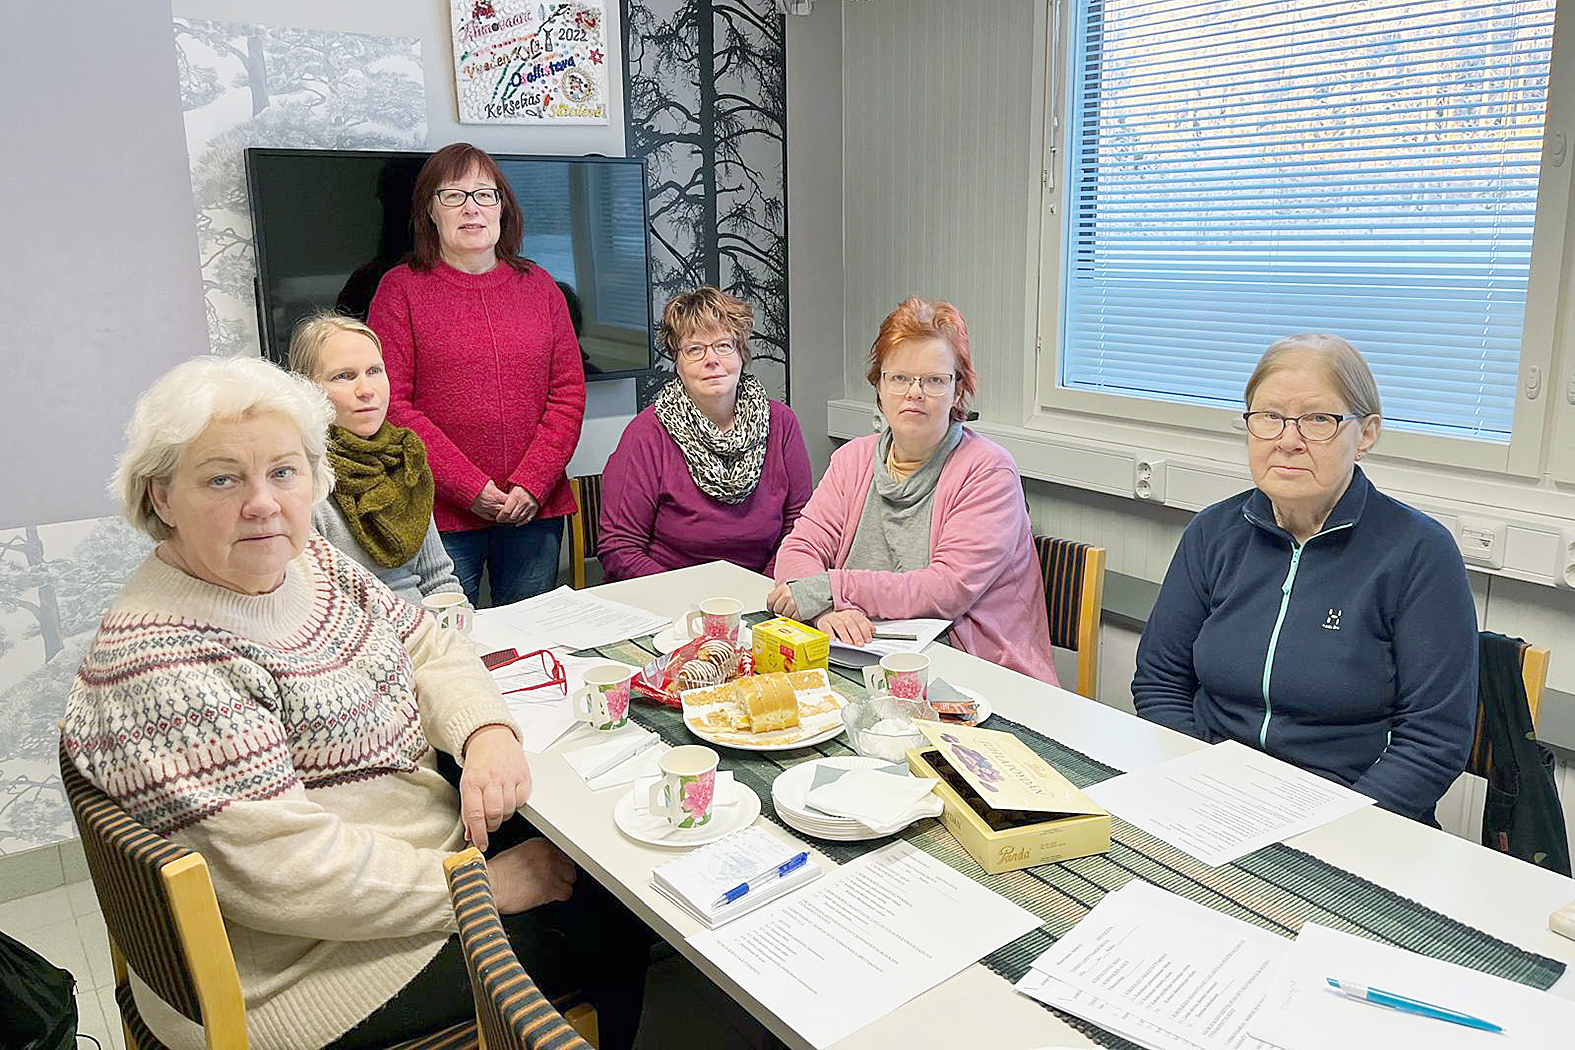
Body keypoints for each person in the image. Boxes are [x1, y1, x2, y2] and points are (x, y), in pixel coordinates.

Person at [62, 357, 645, 1050]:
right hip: (310, 969)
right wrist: (486, 887)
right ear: (161, 498)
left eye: (283, 471)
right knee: (619, 904)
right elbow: (293, 875)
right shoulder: (168, 664)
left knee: (603, 841)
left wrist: (486, 733)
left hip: (391, 874)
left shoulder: (303, 561)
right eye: (222, 478)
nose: (262, 502)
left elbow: (427, 645)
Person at [1131, 333, 1477, 824]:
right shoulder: (1213, 532)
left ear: (1367, 433)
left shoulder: (1419, 553)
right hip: (1207, 800)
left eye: (1319, 420)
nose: (1288, 440)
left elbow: (1433, 742)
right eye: (1269, 416)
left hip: (1351, 817)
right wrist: (1198, 783)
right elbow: (1160, 682)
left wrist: (1330, 827)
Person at [768, 297, 1058, 684]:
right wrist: (825, 613)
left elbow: (944, 590)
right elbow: (800, 548)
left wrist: (831, 588)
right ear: (880, 387)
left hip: (973, 676)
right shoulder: (851, 460)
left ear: (958, 392)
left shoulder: (989, 471)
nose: (914, 392)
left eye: (934, 380)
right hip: (861, 661)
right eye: (899, 377)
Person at [369, 142, 587, 607]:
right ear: (430, 209)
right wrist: (470, 489)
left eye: (485, 195)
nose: (471, 208)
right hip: (441, 516)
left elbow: (567, 394)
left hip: (534, 509)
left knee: (532, 642)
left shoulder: (541, 286)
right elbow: (392, 404)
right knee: (451, 647)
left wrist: (532, 481)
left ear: (502, 208)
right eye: (453, 195)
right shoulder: (400, 290)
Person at [598, 286, 812, 579]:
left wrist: (763, 592)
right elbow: (620, 547)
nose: (711, 359)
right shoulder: (647, 434)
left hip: (763, 596)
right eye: (695, 349)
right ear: (678, 363)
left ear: (741, 355)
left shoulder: (782, 423)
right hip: (670, 601)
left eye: (723, 346)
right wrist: (692, 603)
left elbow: (799, 528)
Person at [287, 311, 463, 605]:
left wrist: (459, 640)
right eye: (344, 376)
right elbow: (317, 611)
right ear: (307, 388)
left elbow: (440, 581)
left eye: (375, 371)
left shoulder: (404, 459)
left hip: (431, 637)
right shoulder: (301, 483)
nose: (366, 390)